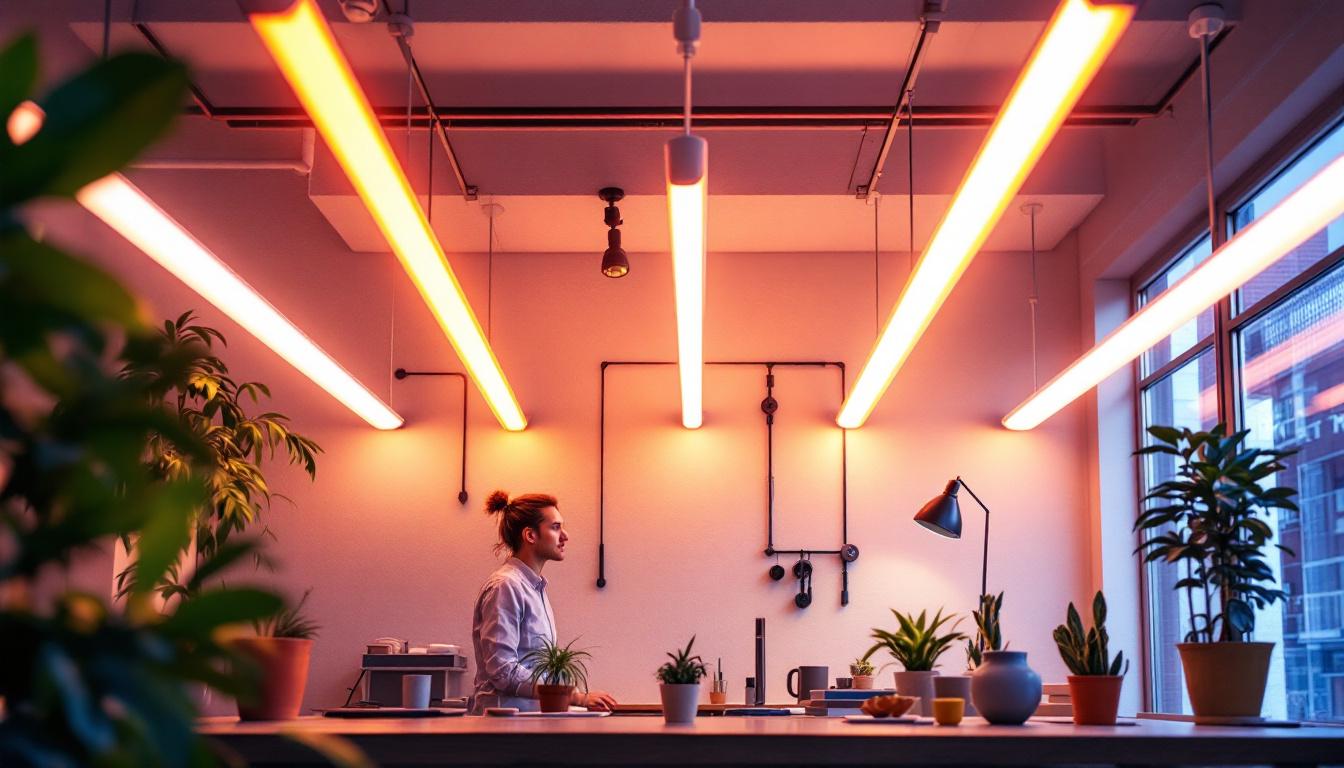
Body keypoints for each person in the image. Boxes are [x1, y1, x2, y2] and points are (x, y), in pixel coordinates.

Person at [470, 490, 618, 714]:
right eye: (556, 527)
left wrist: (571, 697)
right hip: (504, 725)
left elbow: (540, 669)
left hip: (529, 721)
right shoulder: (506, 586)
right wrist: (574, 696)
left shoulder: (533, 588)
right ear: (530, 535)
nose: (565, 536)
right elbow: (502, 670)